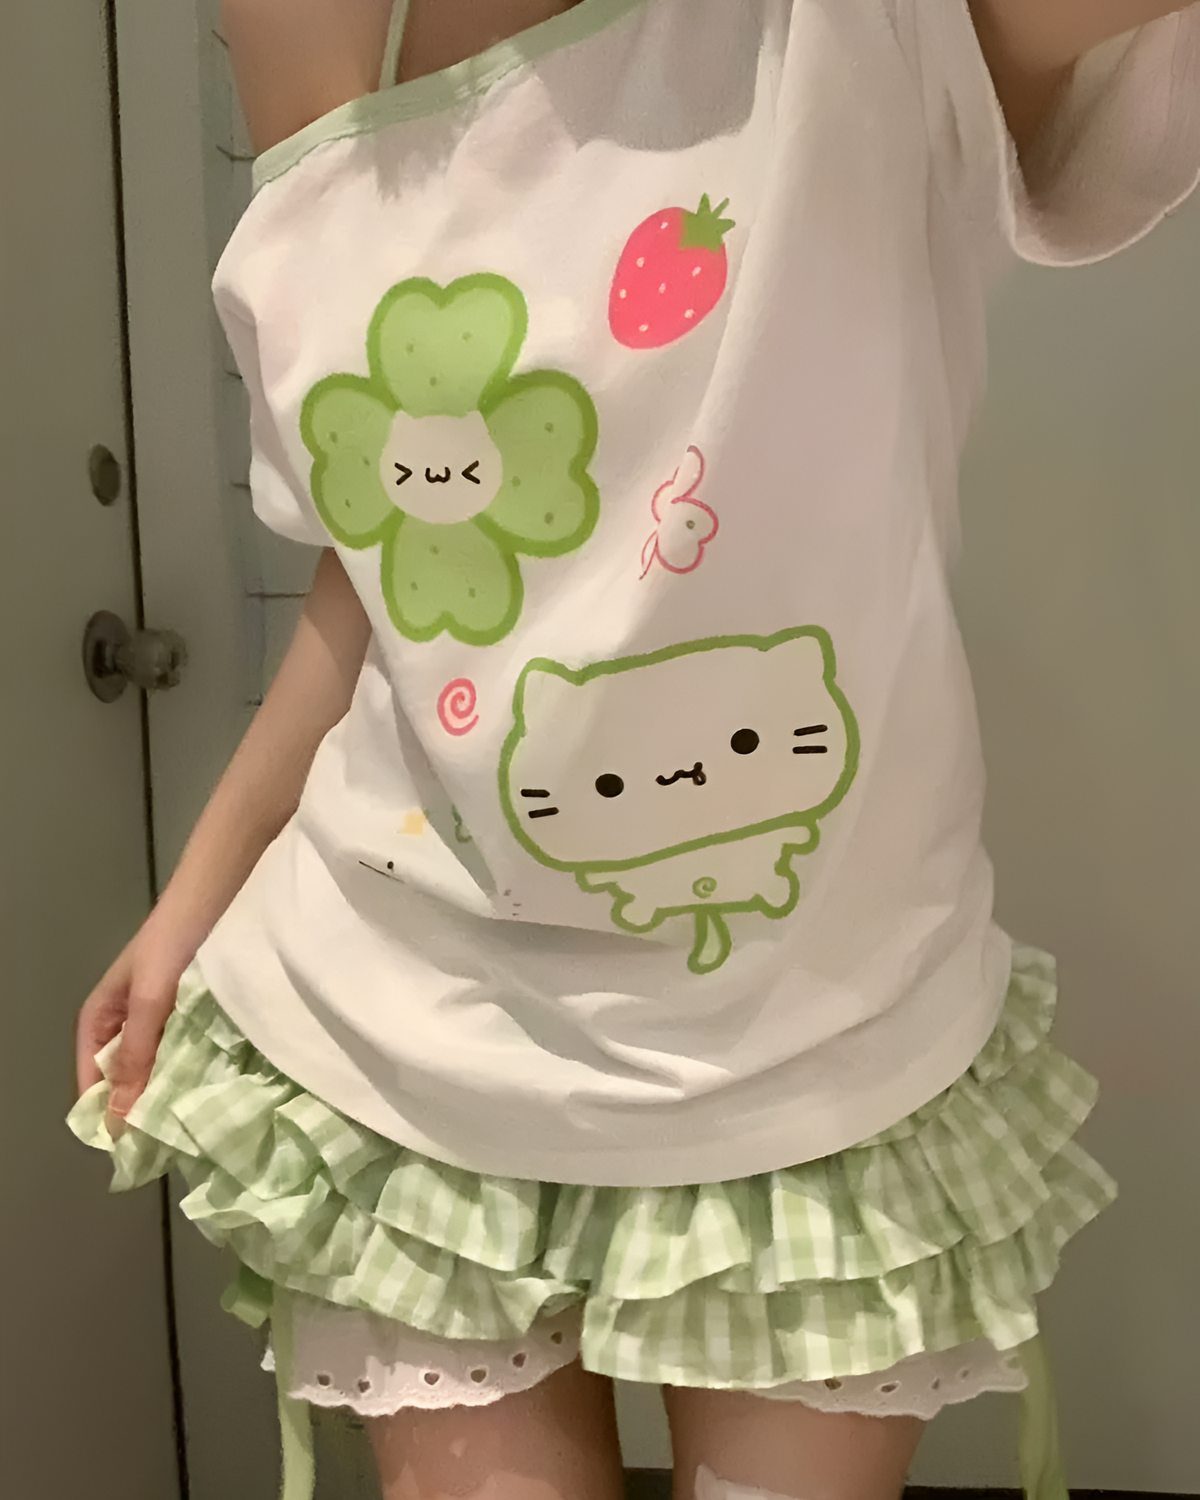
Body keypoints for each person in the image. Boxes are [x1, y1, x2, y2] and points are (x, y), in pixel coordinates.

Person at [69, 1, 1200, 1497]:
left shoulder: (859, 29)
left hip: (813, 1055)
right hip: (407, 1039)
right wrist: (197, 891)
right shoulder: (298, 21)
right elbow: (395, 553)